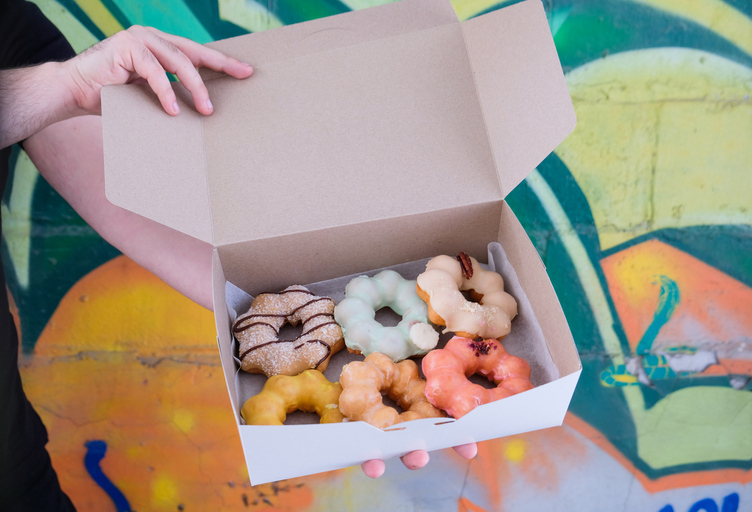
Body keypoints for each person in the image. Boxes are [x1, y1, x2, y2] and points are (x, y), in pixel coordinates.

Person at [0, 0, 477, 509]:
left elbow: (134, 206)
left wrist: (370, 334)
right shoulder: (52, 74)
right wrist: (63, 86)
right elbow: (63, 93)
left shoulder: (11, 24)